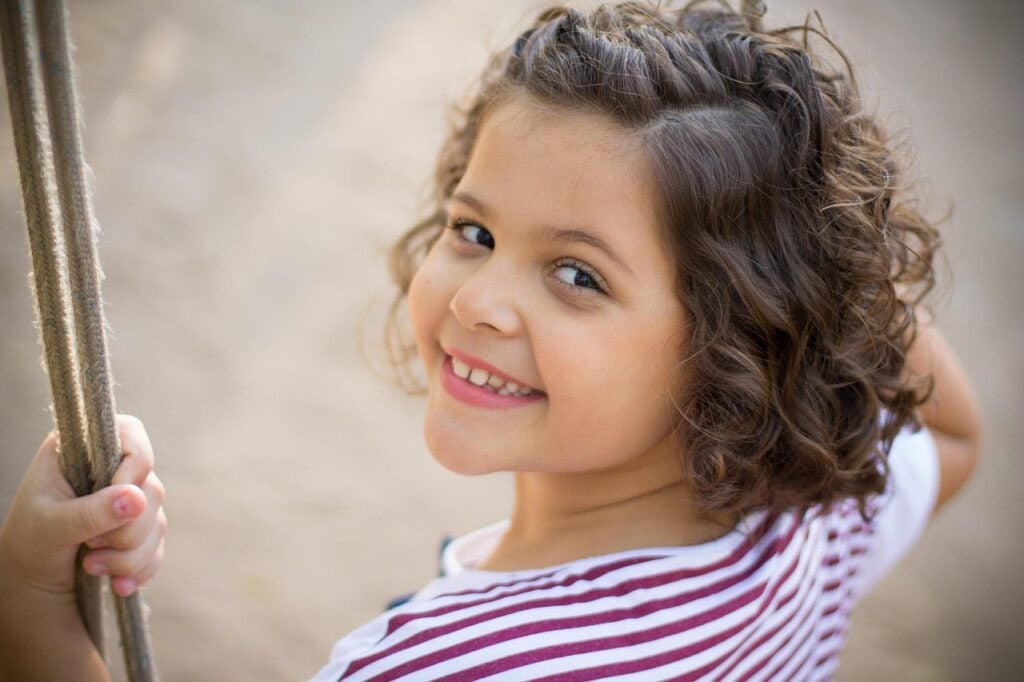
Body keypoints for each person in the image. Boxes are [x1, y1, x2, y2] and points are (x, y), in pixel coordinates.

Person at [0, 1, 982, 679]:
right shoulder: (805, 537)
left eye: (577, 274)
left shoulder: (435, 665)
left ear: (739, 337)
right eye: (475, 231)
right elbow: (950, 438)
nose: (476, 300)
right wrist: (818, 262)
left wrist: (31, 595)